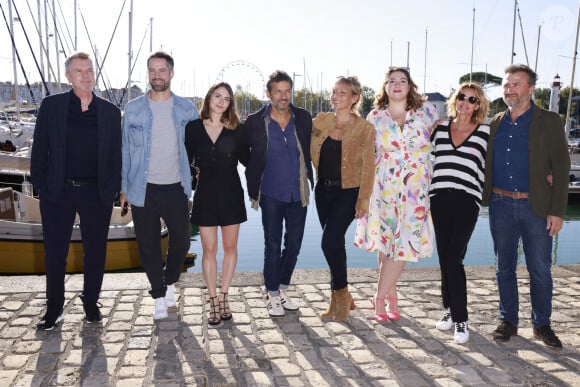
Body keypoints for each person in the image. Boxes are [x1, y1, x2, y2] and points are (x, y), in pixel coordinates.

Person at [30, 52, 121, 330]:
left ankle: (91, 303)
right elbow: (39, 149)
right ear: (68, 76)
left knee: (95, 251)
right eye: (79, 71)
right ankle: (54, 309)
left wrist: (113, 189)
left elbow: (116, 155)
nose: (86, 75)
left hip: (97, 193)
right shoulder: (52, 106)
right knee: (55, 252)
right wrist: (41, 186)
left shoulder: (109, 111)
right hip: (58, 191)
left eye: (89, 70)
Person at [482, 64, 570, 349]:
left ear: (531, 88)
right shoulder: (496, 121)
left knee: (540, 269)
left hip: (536, 206)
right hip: (500, 204)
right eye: (507, 84)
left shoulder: (549, 120)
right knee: (503, 267)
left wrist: (557, 210)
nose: (509, 89)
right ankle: (508, 320)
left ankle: (542, 324)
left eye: (516, 84)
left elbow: (561, 165)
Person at [354, 67, 438, 322]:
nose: (397, 84)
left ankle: (378, 297)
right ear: (386, 87)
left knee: (405, 243)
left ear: (410, 86)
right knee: (386, 241)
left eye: (403, 80)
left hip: (415, 189)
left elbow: (441, 138)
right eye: (392, 81)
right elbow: (367, 155)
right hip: (385, 187)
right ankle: (391, 294)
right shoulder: (375, 116)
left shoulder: (427, 113)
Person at [120, 51, 199, 320]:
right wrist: (123, 189)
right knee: (148, 245)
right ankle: (158, 295)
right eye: (152, 70)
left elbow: (198, 145)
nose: (157, 75)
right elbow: (125, 151)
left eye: (162, 70)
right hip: (142, 187)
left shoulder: (187, 109)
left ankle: (168, 282)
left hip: (175, 186)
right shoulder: (133, 109)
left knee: (182, 239)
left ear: (171, 73)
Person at [243, 70, 314, 317]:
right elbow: (244, 151)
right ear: (269, 93)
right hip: (271, 195)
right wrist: (255, 172)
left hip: (298, 193)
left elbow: (311, 147)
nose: (283, 96)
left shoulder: (303, 117)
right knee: (272, 245)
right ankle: (271, 293)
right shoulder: (255, 121)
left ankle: (283, 289)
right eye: (278, 91)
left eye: (287, 91)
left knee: (293, 245)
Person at [311, 76, 375, 321]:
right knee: (335, 245)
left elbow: (369, 167)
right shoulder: (322, 120)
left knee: (329, 242)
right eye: (334, 91)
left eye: (342, 92)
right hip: (322, 192)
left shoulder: (365, 128)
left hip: (349, 193)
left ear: (355, 97)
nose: (335, 96)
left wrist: (363, 201)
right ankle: (344, 299)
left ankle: (339, 296)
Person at [430, 82, 490, 343]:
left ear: (479, 106)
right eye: (462, 97)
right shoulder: (440, 128)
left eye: (473, 100)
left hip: (467, 201)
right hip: (439, 198)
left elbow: (498, 164)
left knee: (454, 256)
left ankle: (461, 319)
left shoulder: (486, 133)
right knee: (444, 258)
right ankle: (450, 311)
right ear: (455, 99)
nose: (466, 102)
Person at [184, 82, 248, 326]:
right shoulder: (192, 129)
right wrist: (192, 176)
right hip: (205, 196)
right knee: (209, 250)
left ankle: (224, 297)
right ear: (209, 97)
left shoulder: (236, 130)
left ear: (230, 104)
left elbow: (249, 160)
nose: (221, 101)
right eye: (217, 96)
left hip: (231, 194)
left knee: (230, 248)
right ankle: (212, 300)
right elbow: (184, 159)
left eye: (227, 99)